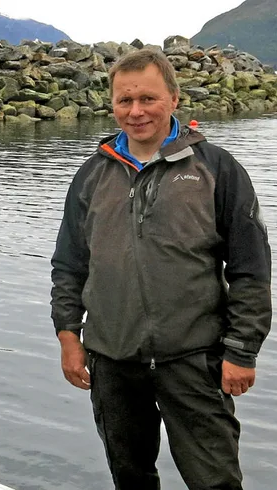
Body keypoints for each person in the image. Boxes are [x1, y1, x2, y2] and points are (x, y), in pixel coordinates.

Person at [50, 47, 272, 490]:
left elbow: (250, 269)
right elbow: (69, 265)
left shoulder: (217, 169)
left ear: (173, 99)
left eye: (148, 99)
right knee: (131, 476)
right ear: (111, 104)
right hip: (112, 360)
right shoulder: (92, 174)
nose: (136, 112)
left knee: (216, 482)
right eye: (124, 101)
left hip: (194, 359)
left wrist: (241, 351)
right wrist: (68, 336)